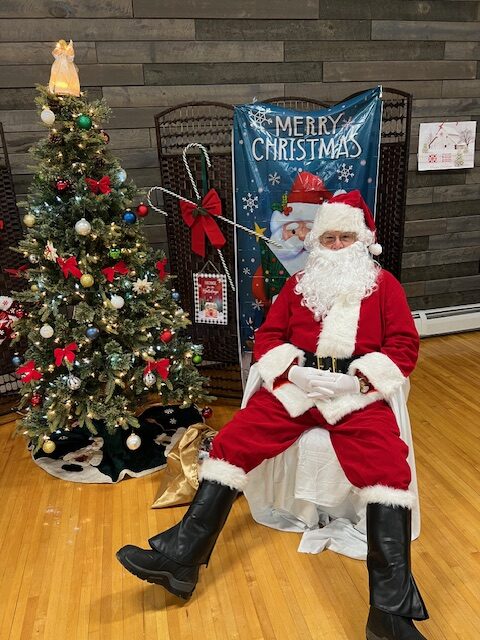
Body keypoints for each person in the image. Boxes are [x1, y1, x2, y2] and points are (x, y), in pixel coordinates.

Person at [117, 190, 429, 640]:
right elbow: (268, 337)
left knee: (387, 469)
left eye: (345, 238)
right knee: (233, 441)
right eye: (329, 238)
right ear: (316, 242)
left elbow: (403, 346)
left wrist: (356, 382)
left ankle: (389, 614)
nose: (336, 246)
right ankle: (181, 558)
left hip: (353, 396)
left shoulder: (385, 288)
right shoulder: (299, 284)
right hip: (298, 389)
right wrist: (294, 372)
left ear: (362, 241)